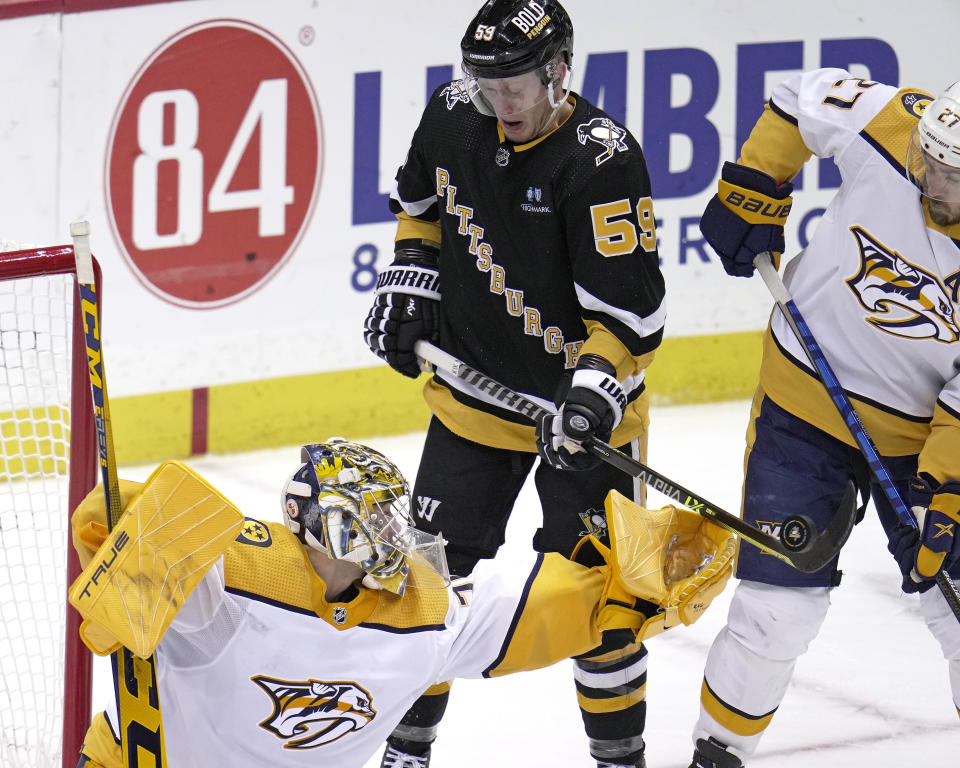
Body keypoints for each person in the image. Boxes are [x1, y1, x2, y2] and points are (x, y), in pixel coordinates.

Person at [362, 1, 666, 765]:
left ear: (558, 70)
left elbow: (632, 318)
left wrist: (593, 391)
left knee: (603, 603)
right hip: (473, 401)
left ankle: (619, 758)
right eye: (488, 83)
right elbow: (419, 209)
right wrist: (412, 274)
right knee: (423, 581)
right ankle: (406, 754)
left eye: (518, 85)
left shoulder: (601, 160)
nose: (503, 102)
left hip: (585, 418)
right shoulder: (454, 114)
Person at [70, 437, 734, 768]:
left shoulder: (424, 612)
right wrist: (131, 536)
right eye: (368, 522)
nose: (390, 538)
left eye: (391, 520)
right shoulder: (234, 572)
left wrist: (633, 583)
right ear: (314, 520)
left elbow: (541, 607)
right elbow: (103, 520)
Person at [687, 68, 960, 767]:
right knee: (778, 608)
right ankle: (717, 753)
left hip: (925, 433)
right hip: (803, 401)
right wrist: (754, 186)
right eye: (931, 159)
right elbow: (795, 99)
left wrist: (947, 488)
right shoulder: (897, 120)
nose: (931, 178)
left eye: (952, 175)